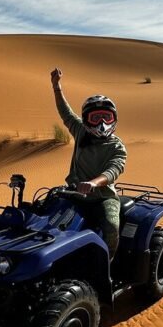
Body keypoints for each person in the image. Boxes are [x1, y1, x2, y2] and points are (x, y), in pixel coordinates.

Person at [51, 67, 127, 261]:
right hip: (74, 193)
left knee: (111, 226)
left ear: (114, 119)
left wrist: (94, 183)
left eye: (106, 117)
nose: (102, 122)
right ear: (86, 120)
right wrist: (56, 86)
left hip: (103, 197)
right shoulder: (81, 132)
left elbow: (114, 170)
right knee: (46, 216)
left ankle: (107, 264)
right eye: (95, 118)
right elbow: (66, 113)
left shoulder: (117, 146)